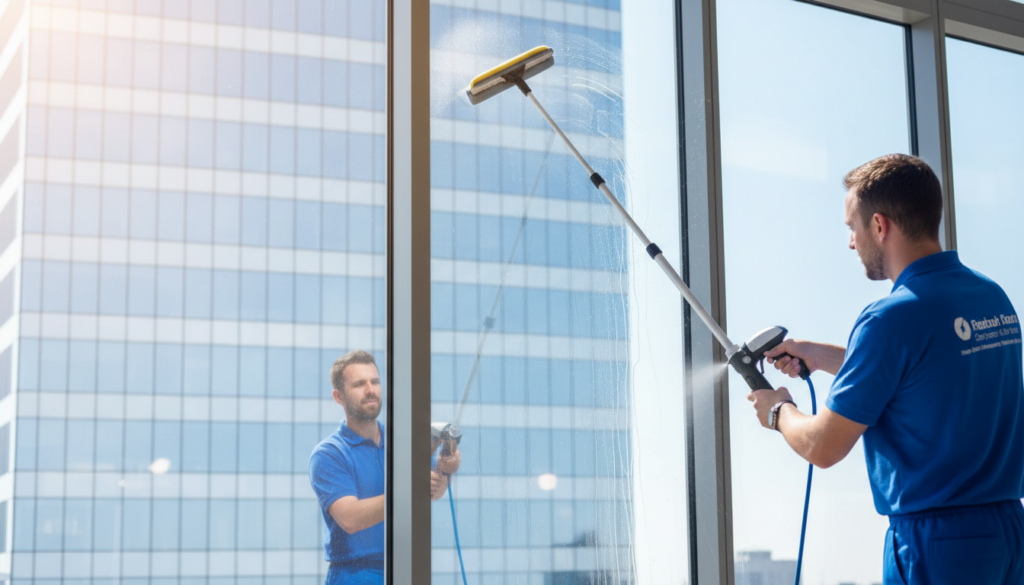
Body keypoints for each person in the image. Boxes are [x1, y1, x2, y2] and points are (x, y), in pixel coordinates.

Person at [747, 154, 1024, 584]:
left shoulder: (887, 320)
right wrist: (820, 356)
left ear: (880, 225)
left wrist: (778, 411)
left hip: (934, 546)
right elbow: (927, 370)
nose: (851, 243)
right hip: (1007, 536)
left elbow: (823, 447)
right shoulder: (991, 298)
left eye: (852, 228)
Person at [309, 350, 461, 585]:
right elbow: (350, 519)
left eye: (375, 382)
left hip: (406, 567)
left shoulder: (403, 441)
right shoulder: (329, 454)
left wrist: (445, 470)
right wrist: (409, 488)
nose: (370, 389)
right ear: (338, 397)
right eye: (359, 384)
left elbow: (431, 491)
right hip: (355, 575)